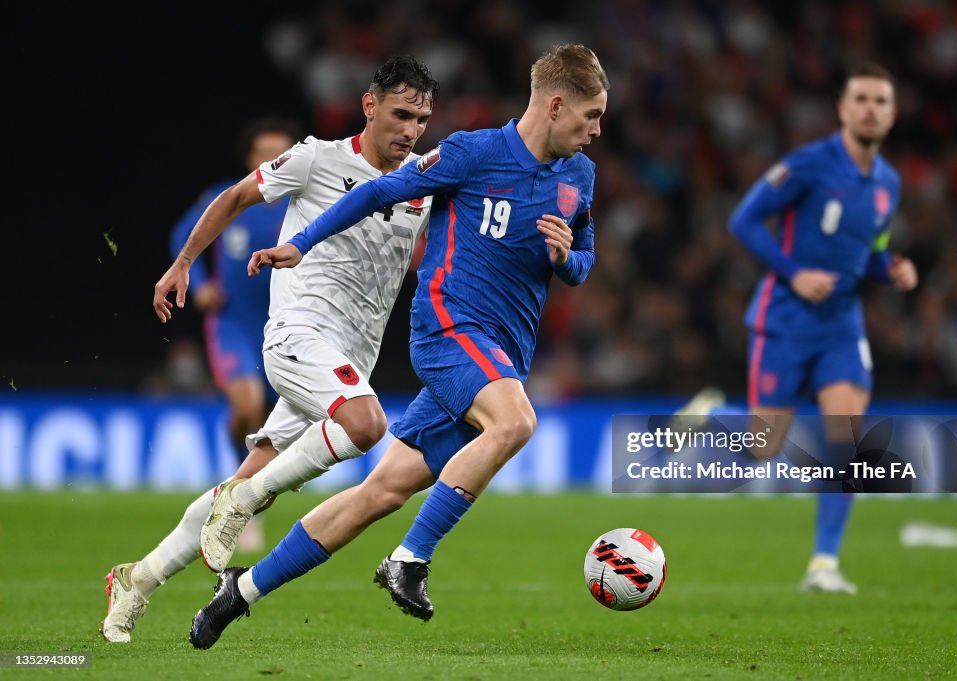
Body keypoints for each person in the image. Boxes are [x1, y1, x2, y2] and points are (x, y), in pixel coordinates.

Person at [189, 44, 607, 648]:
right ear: (557, 104)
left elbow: (584, 261)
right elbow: (377, 192)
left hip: (501, 355)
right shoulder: (472, 152)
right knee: (515, 423)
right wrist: (302, 242)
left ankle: (241, 590)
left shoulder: (579, 177)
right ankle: (409, 559)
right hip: (449, 330)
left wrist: (568, 258)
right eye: (591, 116)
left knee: (381, 492)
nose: (596, 131)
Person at [100, 55, 439, 643]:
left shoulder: (422, 183)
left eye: (422, 120)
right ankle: (245, 499)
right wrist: (184, 264)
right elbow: (234, 198)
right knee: (365, 425)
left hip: (348, 360)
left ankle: (137, 579)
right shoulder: (316, 157)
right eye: (401, 115)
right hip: (296, 335)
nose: (410, 131)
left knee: (250, 478)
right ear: (369, 105)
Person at [678, 63, 918, 594]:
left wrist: (893, 269)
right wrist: (795, 273)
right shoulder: (810, 165)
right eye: (861, 99)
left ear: (893, 114)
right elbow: (743, 219)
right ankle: (712, 414)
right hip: (785, 319)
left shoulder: (888, 184)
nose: (870, 109)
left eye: (881, 101)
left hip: (841, 325)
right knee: (763, 445)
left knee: (846, 437)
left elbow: (871, 252)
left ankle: (824, 564)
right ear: (842, 109)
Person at [168, 116, 301, 552]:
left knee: (278, 423)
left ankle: (247, 498)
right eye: (264, 154)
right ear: (249, 159)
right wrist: (200, 283)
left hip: (289, 325)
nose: (272, 161)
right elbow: (182, 236)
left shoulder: (304, 201)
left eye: (281, 154)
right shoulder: (229, 198)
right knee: (247, 406)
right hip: (233, 324)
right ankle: (239, 487)